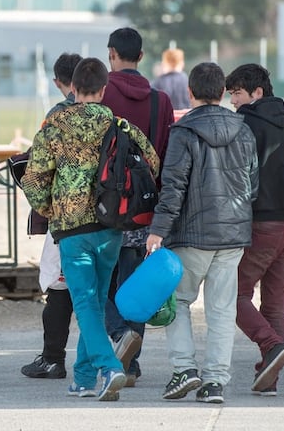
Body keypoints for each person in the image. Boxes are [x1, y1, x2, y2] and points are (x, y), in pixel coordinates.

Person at [21, 57, 158, 402]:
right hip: (111, 225)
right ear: (103, 89)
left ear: (73, 87)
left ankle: (110, 367)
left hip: (71, 228)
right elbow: (152, 162)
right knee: (95, 300)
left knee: (83, 301)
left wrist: (49, 209)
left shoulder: (56, 124)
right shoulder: (120, 125)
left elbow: (33, 177)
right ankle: (83, 379)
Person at [146, 62, 258, 405]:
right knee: (222, 310)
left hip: (191, 237)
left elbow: (173, 188)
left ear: (190, 93)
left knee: (177, 302)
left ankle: (184, 369)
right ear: (223, 92)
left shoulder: (183, 132)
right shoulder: (243, 130)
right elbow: (252, 185)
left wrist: (157, 232)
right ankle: (215, 383)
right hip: (233, 236)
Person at [100, 27, 174, 387]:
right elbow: (166, 154)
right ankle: (132, 364)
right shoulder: (162, 101)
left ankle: (116, 337)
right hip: (145, 207)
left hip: (103, 207)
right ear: (141, 57)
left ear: (111, 54)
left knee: (101, 284)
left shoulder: (99, 96)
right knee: (136, 285)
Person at [225, 63, 284, 396]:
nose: (233, 102)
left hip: (262, 224)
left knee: (232, 294)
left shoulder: (245, 125)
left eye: (237, 94)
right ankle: (270, 378)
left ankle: (271, 347)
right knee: (274, 304)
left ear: (257, 92)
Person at [20, 52, 81, 380]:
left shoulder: (57, 117)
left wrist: (45, 208)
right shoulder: (108, 114)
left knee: (60, 288)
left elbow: (37, 173)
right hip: (105, 217)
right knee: (94, 293)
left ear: (60, 83)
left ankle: (53, 357)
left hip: (64, 217)